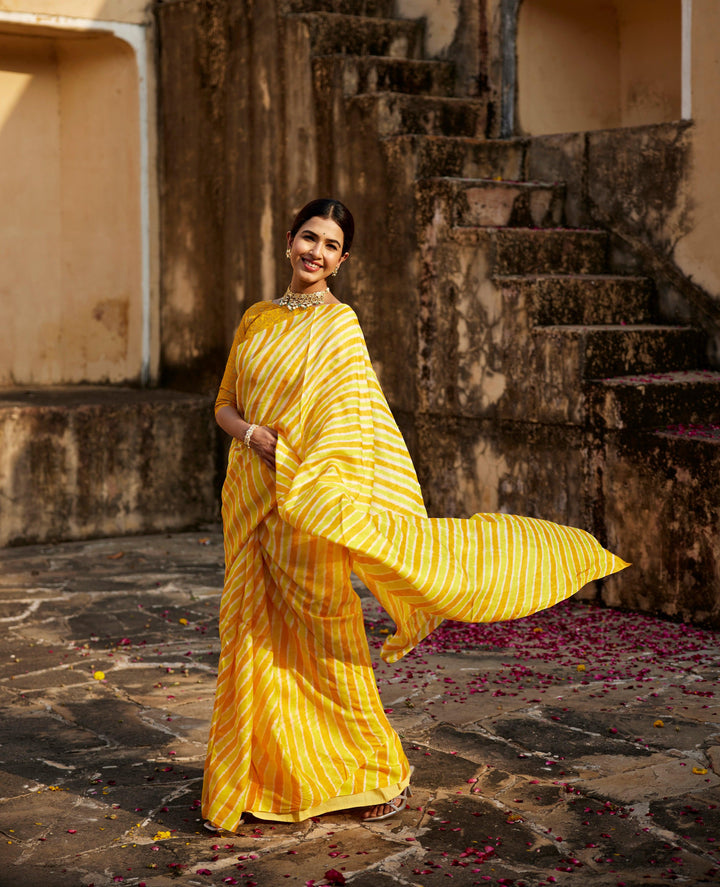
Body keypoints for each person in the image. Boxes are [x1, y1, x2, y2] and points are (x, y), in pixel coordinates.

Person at [201, 197, 628, 831]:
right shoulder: (256, 319)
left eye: (330, 246)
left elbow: (352, 429)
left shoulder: (339, 329)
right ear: (289, 239)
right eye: (309, 238)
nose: (316, 252)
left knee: (324, 639)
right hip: (250, 498)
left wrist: (292, 460)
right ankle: (263, 774)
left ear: (344, 261)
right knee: (251, 640)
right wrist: (251, 435)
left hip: (306, 506)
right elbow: (226, 404)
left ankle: (369, 767)